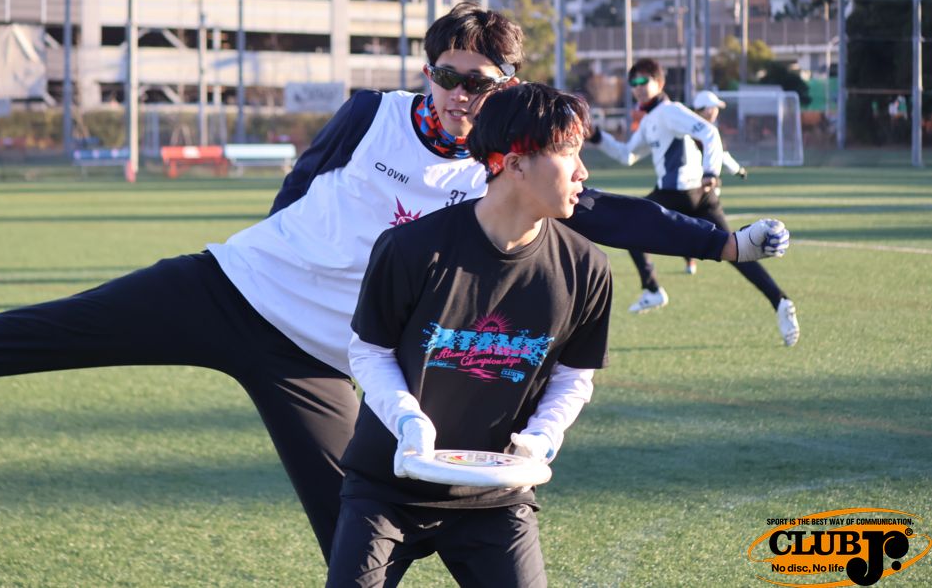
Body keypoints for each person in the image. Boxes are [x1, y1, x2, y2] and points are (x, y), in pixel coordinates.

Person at [0, 5, 790, 565]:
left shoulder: (503, 169)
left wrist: (721, 242)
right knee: (44, 332)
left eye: (478, 82)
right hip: (228, 288)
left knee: (362, 532)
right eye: (445, 75)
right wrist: (288, 248)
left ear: (508, 86)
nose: (457, 93)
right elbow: (301, 182)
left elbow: (604, 210)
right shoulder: (370, 111)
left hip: (317, 361)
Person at [326, 83, 611, 587]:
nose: (582, 171)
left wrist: (542, 437)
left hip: (496, 491)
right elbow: (369, 351)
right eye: (568, 152)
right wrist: (409, 423)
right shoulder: (412, 248)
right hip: (387, 484)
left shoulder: (586, 267)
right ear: (515, 164)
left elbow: (574, 375)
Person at [586, 59, 799, 347]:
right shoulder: (650, 119)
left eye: (644, 81)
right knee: (736, 250)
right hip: (693, 195)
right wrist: (597, 136)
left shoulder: (670, 110)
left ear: (660, 83)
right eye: (633, 82)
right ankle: (780, 301)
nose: (637, 87)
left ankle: (652, 289)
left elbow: (709, 132)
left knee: (630, 223)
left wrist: (711, 171)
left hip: (683, 193)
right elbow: (627, 155)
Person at [683, 89, 747, 275]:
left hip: (707, 188)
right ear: (706, 109)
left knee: (697, 226)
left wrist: (737, 170)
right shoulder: (688, 129)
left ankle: (702, 255)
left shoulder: (710, 131)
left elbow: (722, 155)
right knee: (691, 226)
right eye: (713, 108)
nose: (715, 112)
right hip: (689, 188)